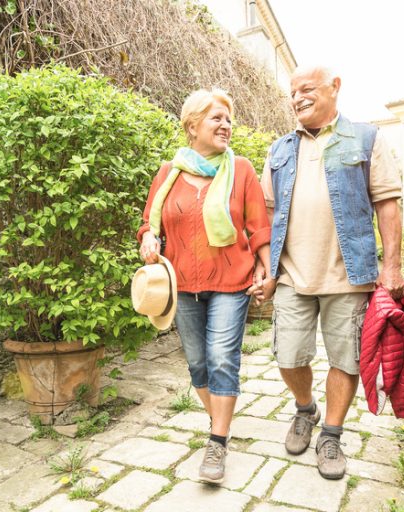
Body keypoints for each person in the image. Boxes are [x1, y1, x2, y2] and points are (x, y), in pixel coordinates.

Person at [252, 65, 404, 480]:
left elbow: (387, 202)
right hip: (291, 275)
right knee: (287, 356)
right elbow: (266, 213)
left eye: (307, 89)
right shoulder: (279, 149)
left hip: (349, 276)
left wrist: (392, 267)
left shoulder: (366, 139)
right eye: (292, 92)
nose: (297, 97)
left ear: (334, 87)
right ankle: (306, 409)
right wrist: (265, 268)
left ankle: (331, 434)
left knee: (346, 361)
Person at [137, 88, 271, 484]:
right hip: (181, 285)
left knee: (221, 358)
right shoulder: (169, 172)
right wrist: (148, 238)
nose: (226, 125)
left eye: (229, 119)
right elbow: (149, 223)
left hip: (231, 281)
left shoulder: (240, 169)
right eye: (217, 118)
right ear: (193, 126)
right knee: (197, 363)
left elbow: (258, 226)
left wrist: (267, 269)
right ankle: (221, 420)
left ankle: (217, 441)